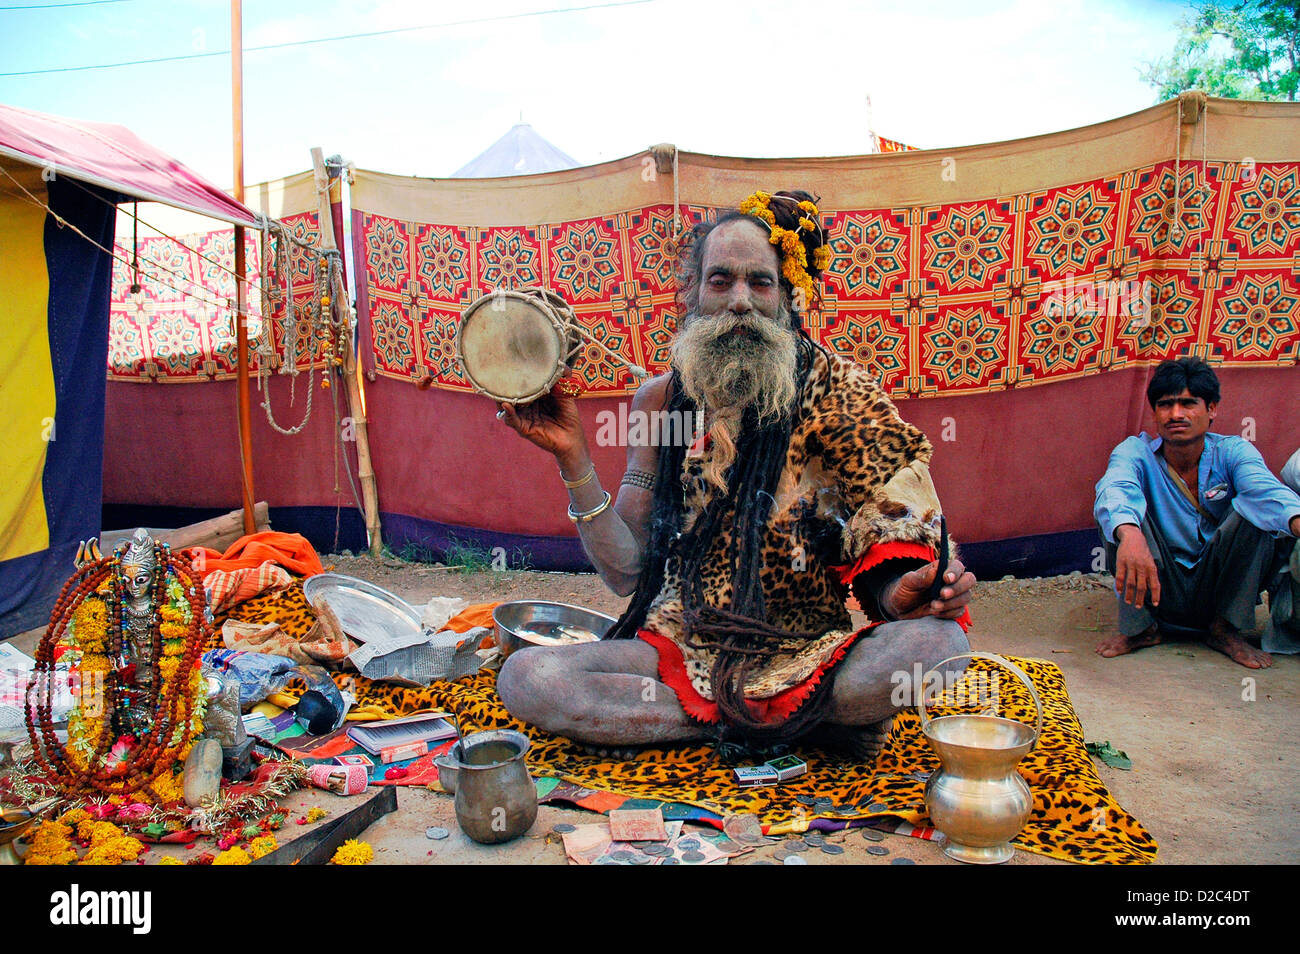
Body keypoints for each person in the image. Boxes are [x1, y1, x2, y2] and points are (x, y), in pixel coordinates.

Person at [494, 190, 974, 752]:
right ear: (696, 293)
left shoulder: (839, 390)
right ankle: (797, 723)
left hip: (807, 648)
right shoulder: (658, 402)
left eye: (759, 282)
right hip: (679, 643)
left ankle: (732, 719)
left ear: (786, 298)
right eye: (721, 281)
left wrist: (905, 594)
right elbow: (627, 574)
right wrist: (573, 457)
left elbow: (894, 534)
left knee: (937, 647)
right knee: (530, 678)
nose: (740, 300)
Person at [1093, 357, 1300, 669]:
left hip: (1217, 585)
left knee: (1256, 514)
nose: (1176, 414)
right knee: (1117, 515)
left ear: (1212, 409)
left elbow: (1265, 491)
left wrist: (1296, 520)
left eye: (1189, 403)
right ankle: (1141, 628)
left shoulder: (1233, 451)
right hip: (1161, 583)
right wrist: (1129, 533)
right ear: (1155, 413)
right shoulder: (1134, 451)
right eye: (1166, 405)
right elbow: (1116, 486)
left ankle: (1224, 628)